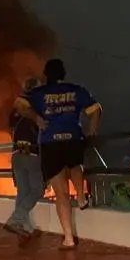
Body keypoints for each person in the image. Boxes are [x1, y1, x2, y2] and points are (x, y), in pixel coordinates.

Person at [15, 58, 102, 249]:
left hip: (50, 143)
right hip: (73, 138)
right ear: (63, 73)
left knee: (61, 193)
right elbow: (96, 110)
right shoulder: (76, 90)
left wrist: (37, 118)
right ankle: (80, 197)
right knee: (75, 165)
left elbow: (19, 104)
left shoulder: (39, 93)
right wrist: (91, 133)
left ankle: (68, 238)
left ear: (46, 75)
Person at [3, 76, 44, 237]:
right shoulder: (35, 107)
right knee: (37, 190)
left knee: (23, 190)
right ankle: (15, 219)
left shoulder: (15, 110)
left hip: (16, 154)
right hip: (32, 154)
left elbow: (11, 130)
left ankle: (25, 227)